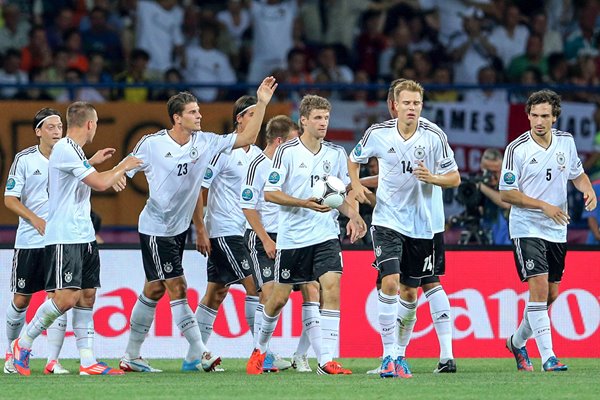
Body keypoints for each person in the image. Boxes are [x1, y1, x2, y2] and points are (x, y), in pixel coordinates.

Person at [119, 77, 277, 373]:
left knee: (154, 289)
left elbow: (244, 138)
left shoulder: (206, 143)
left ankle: (131, 355)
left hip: (178, 230)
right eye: (192, 112)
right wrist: (110, 175)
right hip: (156, 228)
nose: (199, 115)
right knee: (179, 286)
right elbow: (124, 169)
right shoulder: (153, 144)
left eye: (199, 110)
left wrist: (264, 102)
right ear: (177, 118)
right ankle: (201, 353)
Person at [10, 102, 142, 376]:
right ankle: (23, 343)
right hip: (65, 235)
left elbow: (87, 180)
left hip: (83, 235)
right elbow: (101, 184)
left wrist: (103, 169)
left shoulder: (75, 151)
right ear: (91, 124)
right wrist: (123, 166)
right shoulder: (65, 149)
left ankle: (87, 361)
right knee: (66, 298)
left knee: (87, 296)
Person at [246, 94, 367, 375]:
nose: (323, 123)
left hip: (325, 235)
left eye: (326, 118)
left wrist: (355, 215)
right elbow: (270, 193)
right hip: (293, 239)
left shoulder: (336, 154)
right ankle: (259, 349)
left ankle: (326, 360)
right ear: (303, 121)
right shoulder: (287, 152)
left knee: (331, 286)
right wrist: (304, 202)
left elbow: (343, 195)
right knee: (277, 299)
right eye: (317, 118)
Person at [349, 79, 460, 378]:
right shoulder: (378, 133)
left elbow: (455, 178)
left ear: (422, 105)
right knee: (389, 281)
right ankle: (388, 356)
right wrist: (356, 184)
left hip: (422, 226)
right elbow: (354, 159)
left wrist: (433, 178)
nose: (412, 108)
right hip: (387, 220)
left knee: (411, 293)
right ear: (394, 105)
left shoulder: (434, 136)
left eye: (417, 103)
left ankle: (399, 355)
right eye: (406, 103)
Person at [500, 89, 597, 372]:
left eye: (545, 116)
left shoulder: (566, 142)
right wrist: (543, 205)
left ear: (555, 117)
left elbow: (577, 174)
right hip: (526, 226)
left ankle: (517, 342)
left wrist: (588, 188)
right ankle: (548, 357)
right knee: (539, 289)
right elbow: (507, 193)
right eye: (534, 115)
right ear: (527, 115)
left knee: (552, 294)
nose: (539, 121)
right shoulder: (516, 149)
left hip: (556, 228)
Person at [192, 95, 271, 371]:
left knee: (216, 292)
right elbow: (199, 190)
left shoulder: (260, 156)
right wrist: (200, 229)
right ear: (239, 118)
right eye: (252, 115)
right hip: (224, 231)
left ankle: (194, 356)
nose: (256, 122)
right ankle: (263, 353)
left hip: (245, 232)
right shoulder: (224, 150)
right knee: (256, 288)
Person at [4, 108, 70, 375]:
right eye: (51, 127)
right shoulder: (25, 160)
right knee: (21, 300)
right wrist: (35, 219)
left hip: (60, 241)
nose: (57, 131)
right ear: (38, 131)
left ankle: (52, 361)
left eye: (60, 126)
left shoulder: (69, 156)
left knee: (58, 297)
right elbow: (10, 199)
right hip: (30, 240)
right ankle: (12, 354)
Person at [239, 115, 304, 372]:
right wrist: (265, 239)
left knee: (308, 292)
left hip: (289, 237)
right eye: (292, 141)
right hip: (261, 237)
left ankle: (304, 355)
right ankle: (262, 354)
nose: (296, 146)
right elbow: (248, 206)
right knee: (268, 293)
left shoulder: (288, 162)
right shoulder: (258, 164)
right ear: (279, 141)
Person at [477, 149, 511, 245]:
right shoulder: (478, 186)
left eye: (496, 172)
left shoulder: (510, 183)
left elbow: (506, 203)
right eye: (488, 171)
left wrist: (481, 187)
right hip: (484, 244)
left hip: (507, 247)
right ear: (482, 167)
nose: (492, 176)